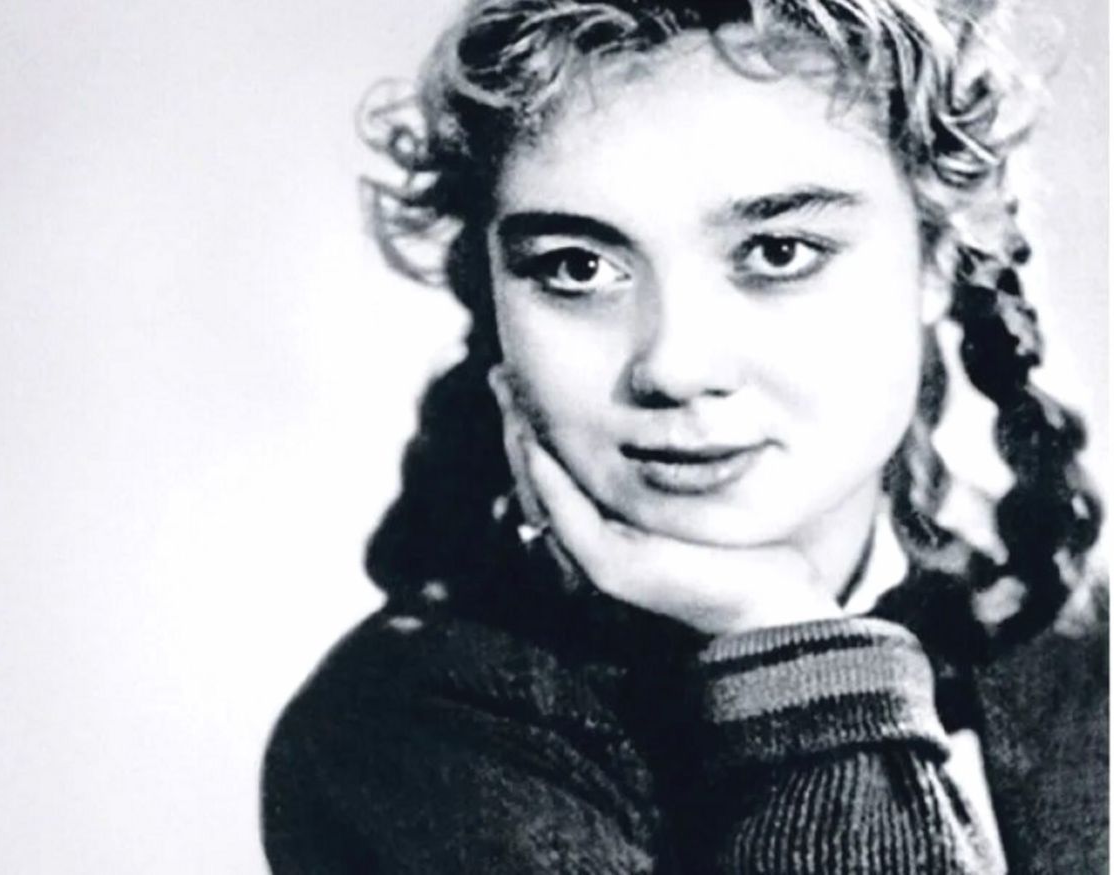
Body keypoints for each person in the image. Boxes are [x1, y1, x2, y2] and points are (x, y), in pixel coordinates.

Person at [262, 0, 1107, 871]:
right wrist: (786, 641)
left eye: (777, 251)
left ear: (937, 256)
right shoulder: (415, 733)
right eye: (577, 267)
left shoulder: (1085, 663)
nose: (672, 364)